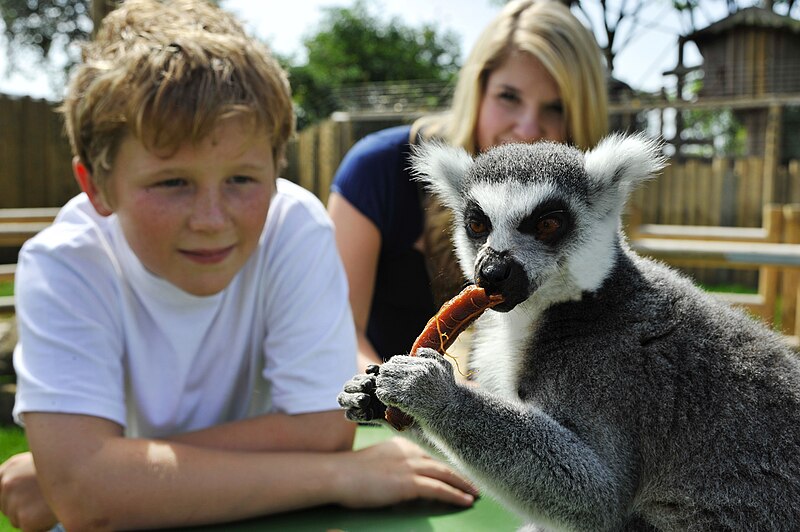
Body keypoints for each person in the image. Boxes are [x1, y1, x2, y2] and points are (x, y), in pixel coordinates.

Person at [0, 1, 478, 530]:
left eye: (242, 180)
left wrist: (103, 464)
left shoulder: (293, 226)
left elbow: (324, 427)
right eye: (171, 182)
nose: (211, 220)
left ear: (277, 169)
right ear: (96, 186)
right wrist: (338, 477)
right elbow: (90, 502)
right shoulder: (63, 263)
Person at [327, 0, 610, 371]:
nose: (526, 129)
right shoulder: (379, 168)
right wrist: (412, 402)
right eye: (509, 97)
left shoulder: (579, 213)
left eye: (554, 108)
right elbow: (336, 333)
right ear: (478, 89)